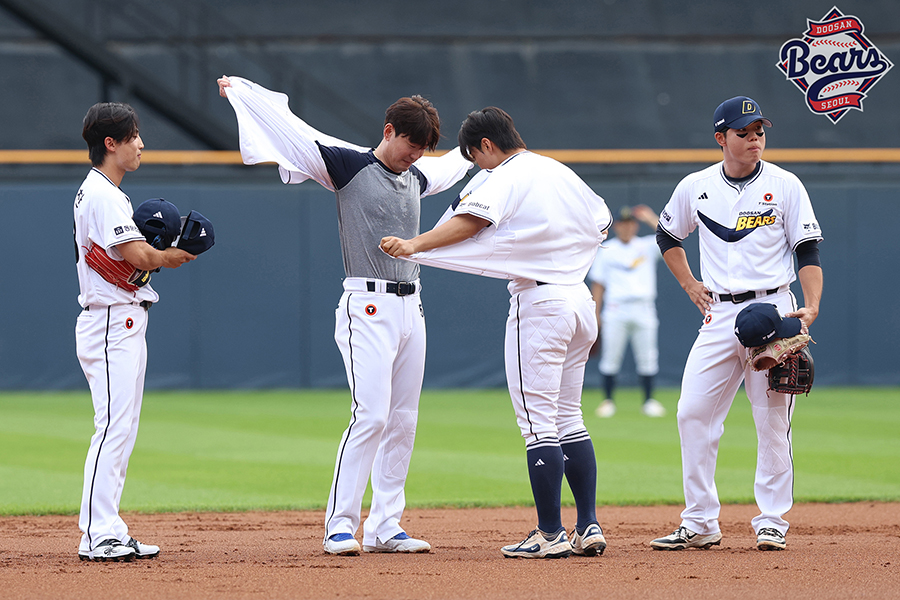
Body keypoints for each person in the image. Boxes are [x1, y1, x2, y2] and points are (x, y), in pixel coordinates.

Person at [217, 76, 472, 556]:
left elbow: (453, 166)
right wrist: (245, 95)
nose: (415, 155)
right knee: (370, 414)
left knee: (404, 420)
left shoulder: (418, 176)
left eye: (422, 149)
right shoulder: (347, 165)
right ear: (389, 130)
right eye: (410, 144)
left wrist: (480, 136)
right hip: (367, 305)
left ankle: (385, 525)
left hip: (411, 305)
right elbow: (294, 132)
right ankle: (340, 523)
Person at [381, 107, 612, 559]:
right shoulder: (558, 172)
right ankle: (588, 526)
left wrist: (414, 244)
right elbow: (601, 223)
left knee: (538, 424)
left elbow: (472, 221)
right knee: (571, 419)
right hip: (580, 300)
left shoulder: (505, 174)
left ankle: (549, 534)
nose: (478, 164)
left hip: (541, 303)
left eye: (474, 155)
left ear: (486, 145)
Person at [650, 96, 823, 551]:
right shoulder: (697, 185)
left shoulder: (785, 184)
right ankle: (701, 521)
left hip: (774, 310)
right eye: (743, 132)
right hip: (721, 312)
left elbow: (807, 250)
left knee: (771, 420)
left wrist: (811, 304)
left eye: (759, 131)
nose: (754, 140)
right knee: (692, 413)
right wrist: (690, 284)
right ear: (720, 138)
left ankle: (772, 520)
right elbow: (667, 235)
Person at [75, 102, 195, 562]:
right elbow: (139, 257)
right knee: (112, 429)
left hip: (120, 319)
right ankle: (96, 534)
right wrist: (171, 255)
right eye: (134, 136)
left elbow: (123, 261)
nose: (141, 143)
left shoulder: (102, 191)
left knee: (120, 428)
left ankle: (108, 526)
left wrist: (154, 259)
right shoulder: (104, 194)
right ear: (111, 143)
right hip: (109, 322)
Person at [588, 204, 665, 418]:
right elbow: (598, 284)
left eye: (630, 223)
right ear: (616, 227)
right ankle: (608, 401)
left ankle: (649, 401)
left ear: (636, 226)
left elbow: (670, 237)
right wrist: (596, 313)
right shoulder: (606, 250)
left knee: (648, 356)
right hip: (615, 308)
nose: (626, 227)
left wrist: (650, 217)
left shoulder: (646, 246)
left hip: (644, 307)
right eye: (622, 224)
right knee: (611, 356)